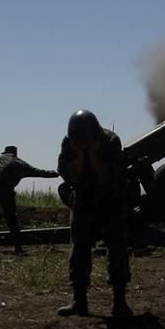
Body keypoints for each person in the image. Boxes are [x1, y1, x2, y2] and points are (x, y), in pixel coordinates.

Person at [56, 109, 132, 318]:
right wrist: (81, 156)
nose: (81, 142)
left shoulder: (110, 141)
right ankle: (79, 301)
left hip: (111, 200)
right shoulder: (69, 143)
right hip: (84, 201)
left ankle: (120, 303)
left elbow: (108, 178)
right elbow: (67, 174)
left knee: (117, 249)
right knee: (79, 250)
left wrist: (94, 155)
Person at [0, 145, 58, 254]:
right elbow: (38, 172)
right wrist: (54, 174)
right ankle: (18, 247)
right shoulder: (20, 165)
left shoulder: (2, 158)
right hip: (7, 191)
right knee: (11, 219)